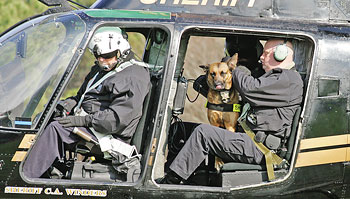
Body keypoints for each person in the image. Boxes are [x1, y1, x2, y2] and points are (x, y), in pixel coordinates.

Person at [159, 39, 303, 184]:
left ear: (281, 54)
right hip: (250, 139)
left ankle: (171, 183)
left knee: (203, 133)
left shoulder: (287, 79)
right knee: (181, 129)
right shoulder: (275, 78)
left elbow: (250, 88)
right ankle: (184, 177)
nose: (261, 58)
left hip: (260, 147)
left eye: (265, 54)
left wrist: (232, 67)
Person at [23, 27, 151, 179]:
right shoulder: (101, 69)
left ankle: (25, 179)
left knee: (56, 130)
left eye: (107, 56)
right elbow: (81, 96)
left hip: (108, 135)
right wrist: (65, 106)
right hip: (92, 125)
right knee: (45, 119)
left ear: (121, 51)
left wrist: (81, 120)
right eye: (98, 56)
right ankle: (42, 174)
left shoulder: (132, 77)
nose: (102, 60)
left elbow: (116, 120)